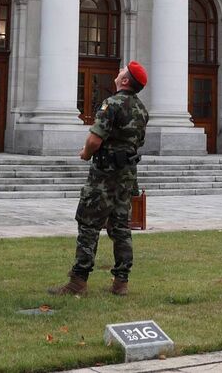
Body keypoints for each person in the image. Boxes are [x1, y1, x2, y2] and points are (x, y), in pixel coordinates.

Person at [49, 60, 149, 297]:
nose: (118, 72)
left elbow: (95, 140)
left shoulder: (111, 104)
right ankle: (121, 282)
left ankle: (78, 281)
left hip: (104, 176)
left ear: (125, 81)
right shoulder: (142, 110)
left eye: (121, 71)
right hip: (126, 177)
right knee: (121, 228)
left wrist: (85, 154)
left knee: (88, 225)